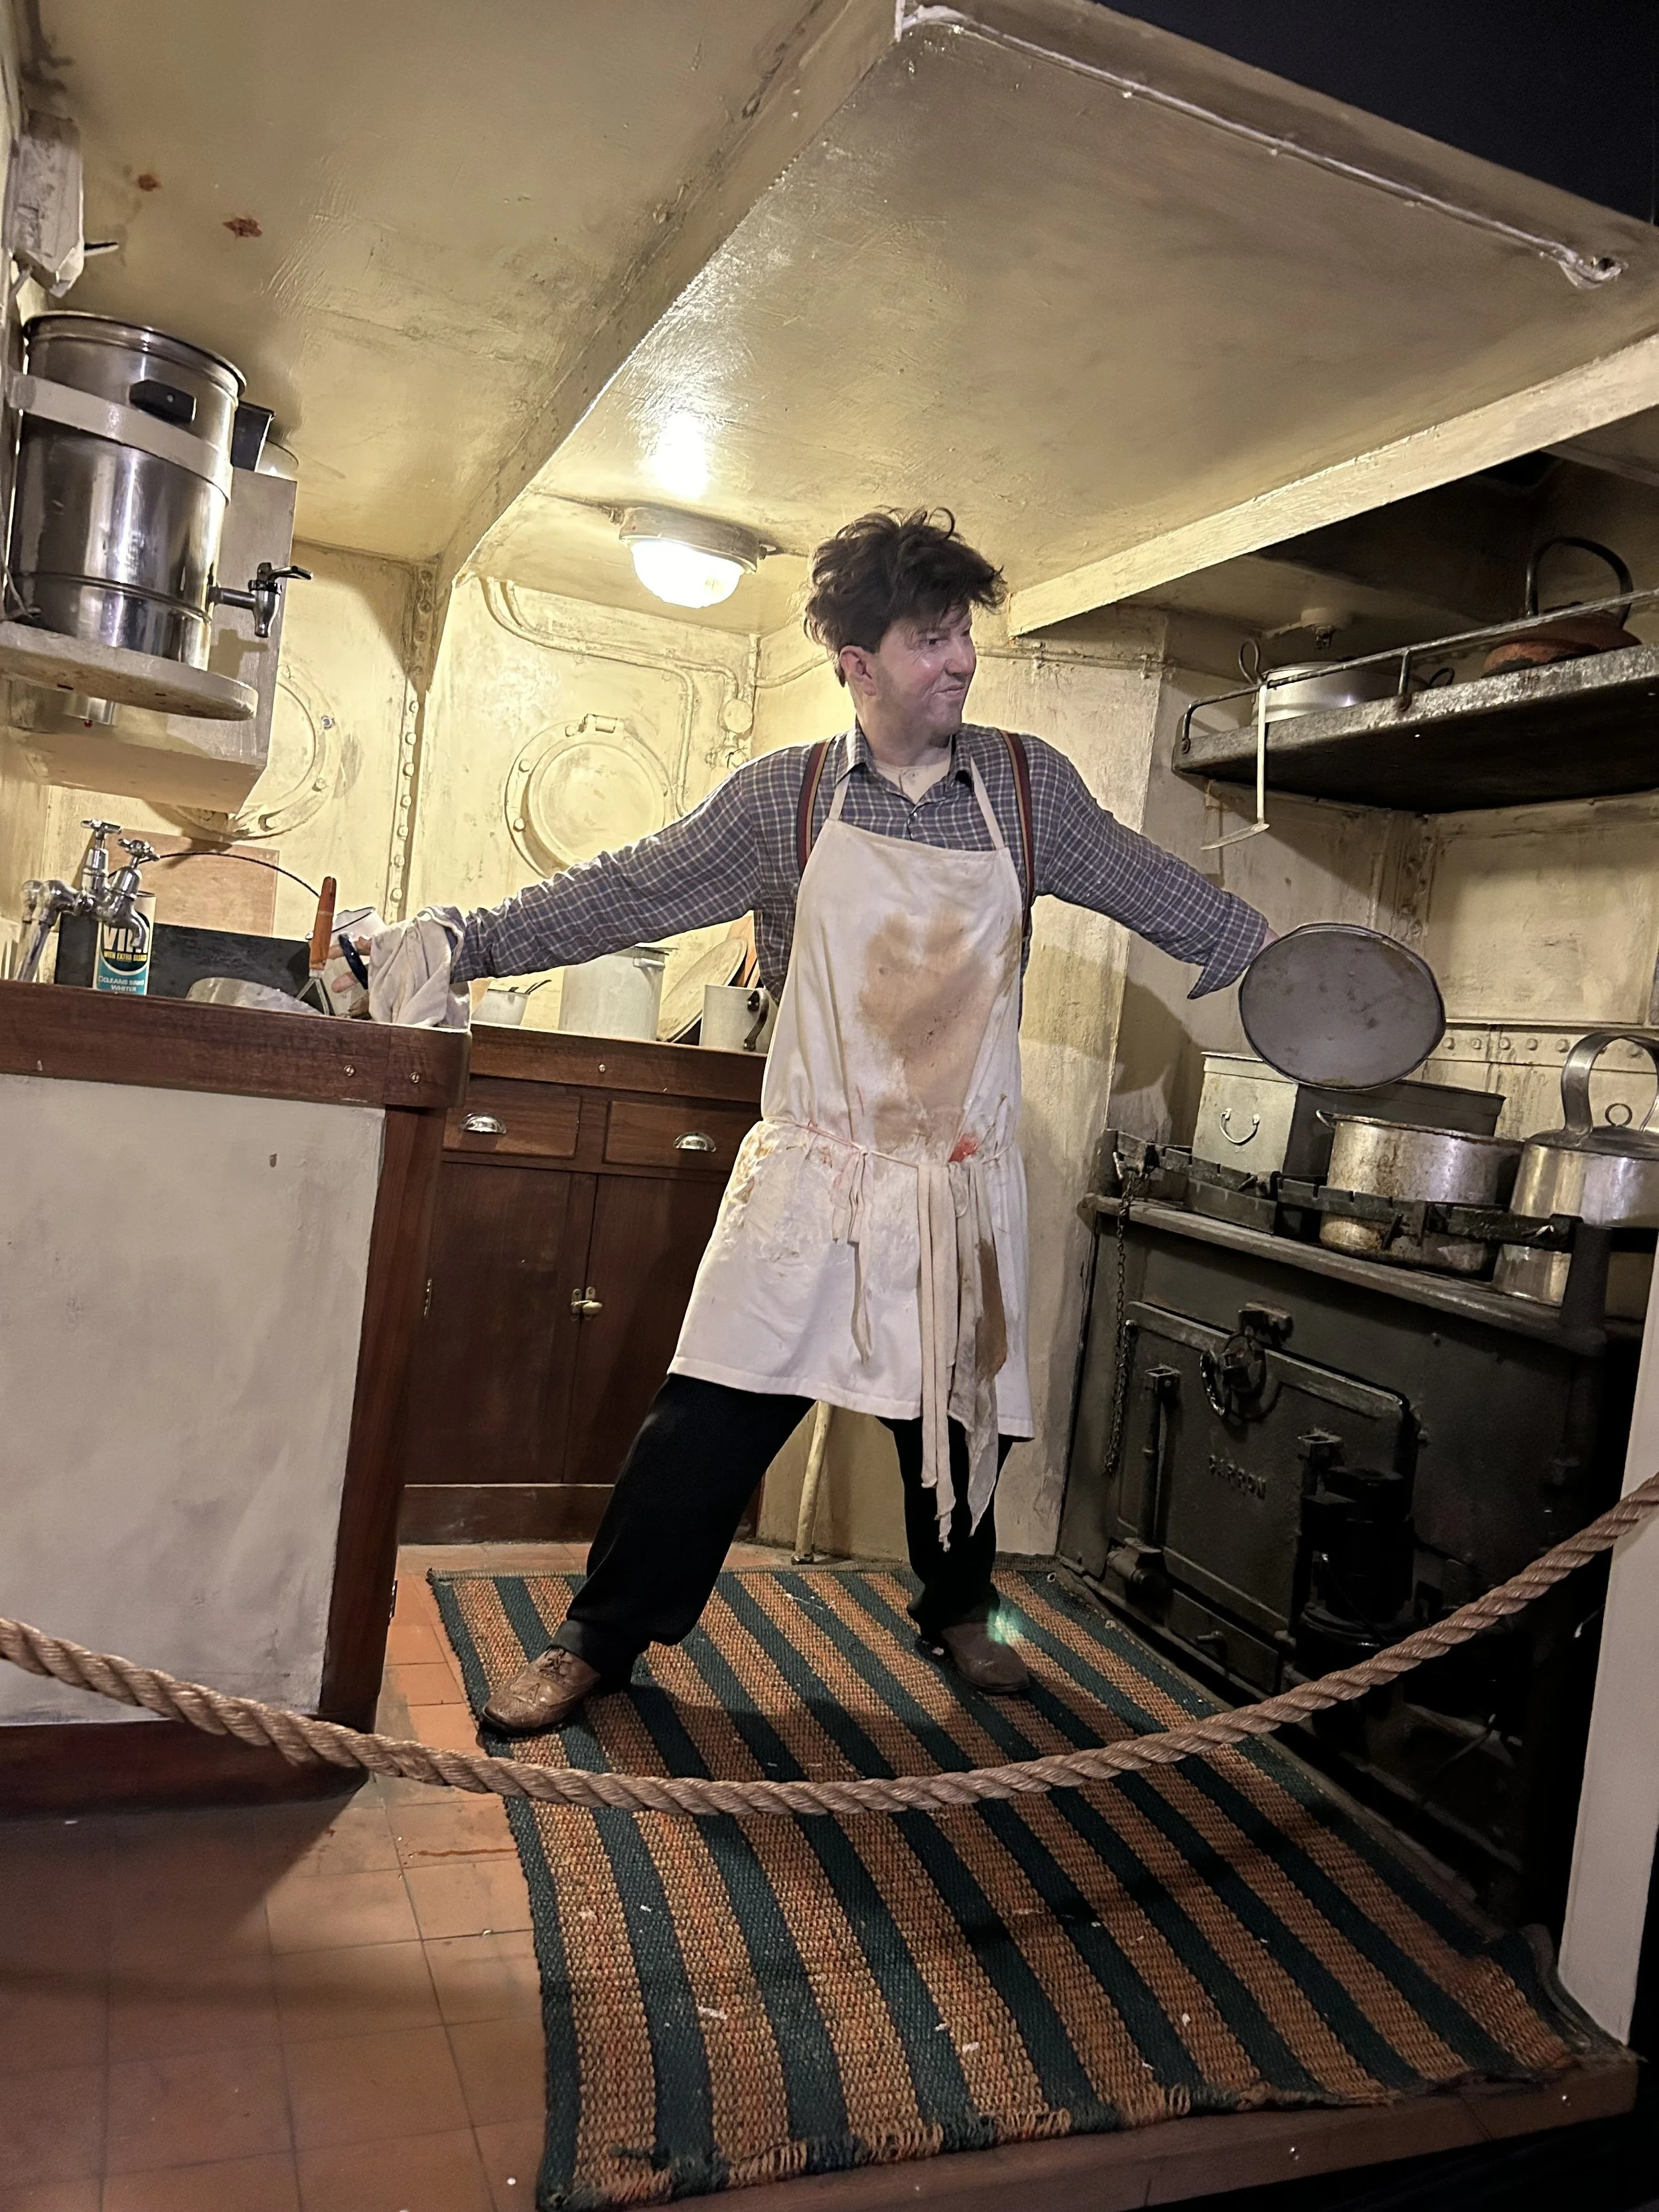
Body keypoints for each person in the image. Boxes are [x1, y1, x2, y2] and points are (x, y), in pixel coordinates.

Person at [415, 510, 1269, 1732]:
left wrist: (1288, 972)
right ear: (857, 667)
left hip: (956, 1176)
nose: (962, 661)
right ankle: (600, 1640)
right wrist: (468, 943)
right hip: (813, 1175)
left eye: (964, 635)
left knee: (965, 1423)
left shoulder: (1027, 792)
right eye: (930, 641)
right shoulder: (788, 799)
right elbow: (627, 890)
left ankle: (962, 1612)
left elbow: (1156, 887)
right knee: (707, 1418)